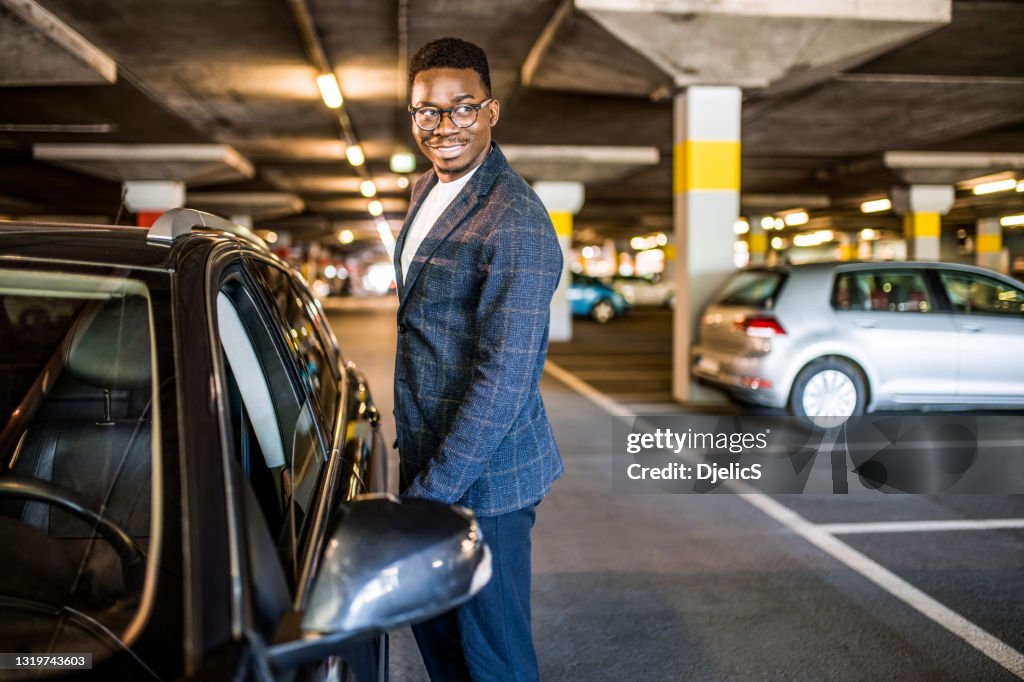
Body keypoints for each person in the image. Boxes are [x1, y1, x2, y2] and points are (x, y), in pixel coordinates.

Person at [392, 37, 563, 682]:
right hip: (430, 457)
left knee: (493, 655)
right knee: (436, 632)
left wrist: (432, 495)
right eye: (426, 112)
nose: (444, 126)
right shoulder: (424, 190)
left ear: (492, 111)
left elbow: (506, 378)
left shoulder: (513, 218)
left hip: (484, 480)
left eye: (463, 108)